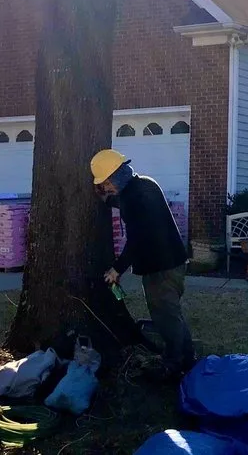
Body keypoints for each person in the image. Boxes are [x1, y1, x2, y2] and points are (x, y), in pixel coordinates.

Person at [91, 149, 194, 380]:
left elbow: (137, 238)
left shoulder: (134, 198)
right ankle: (187, 359)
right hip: (169, 262)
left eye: (106, 183)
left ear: (115, 175)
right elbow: (126, 200)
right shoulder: (144, 184)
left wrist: (117, 269)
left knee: (165, 317)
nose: (106, 187)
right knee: (170, 315)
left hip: (163, 268)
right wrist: (109, 201)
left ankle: (175, 366)